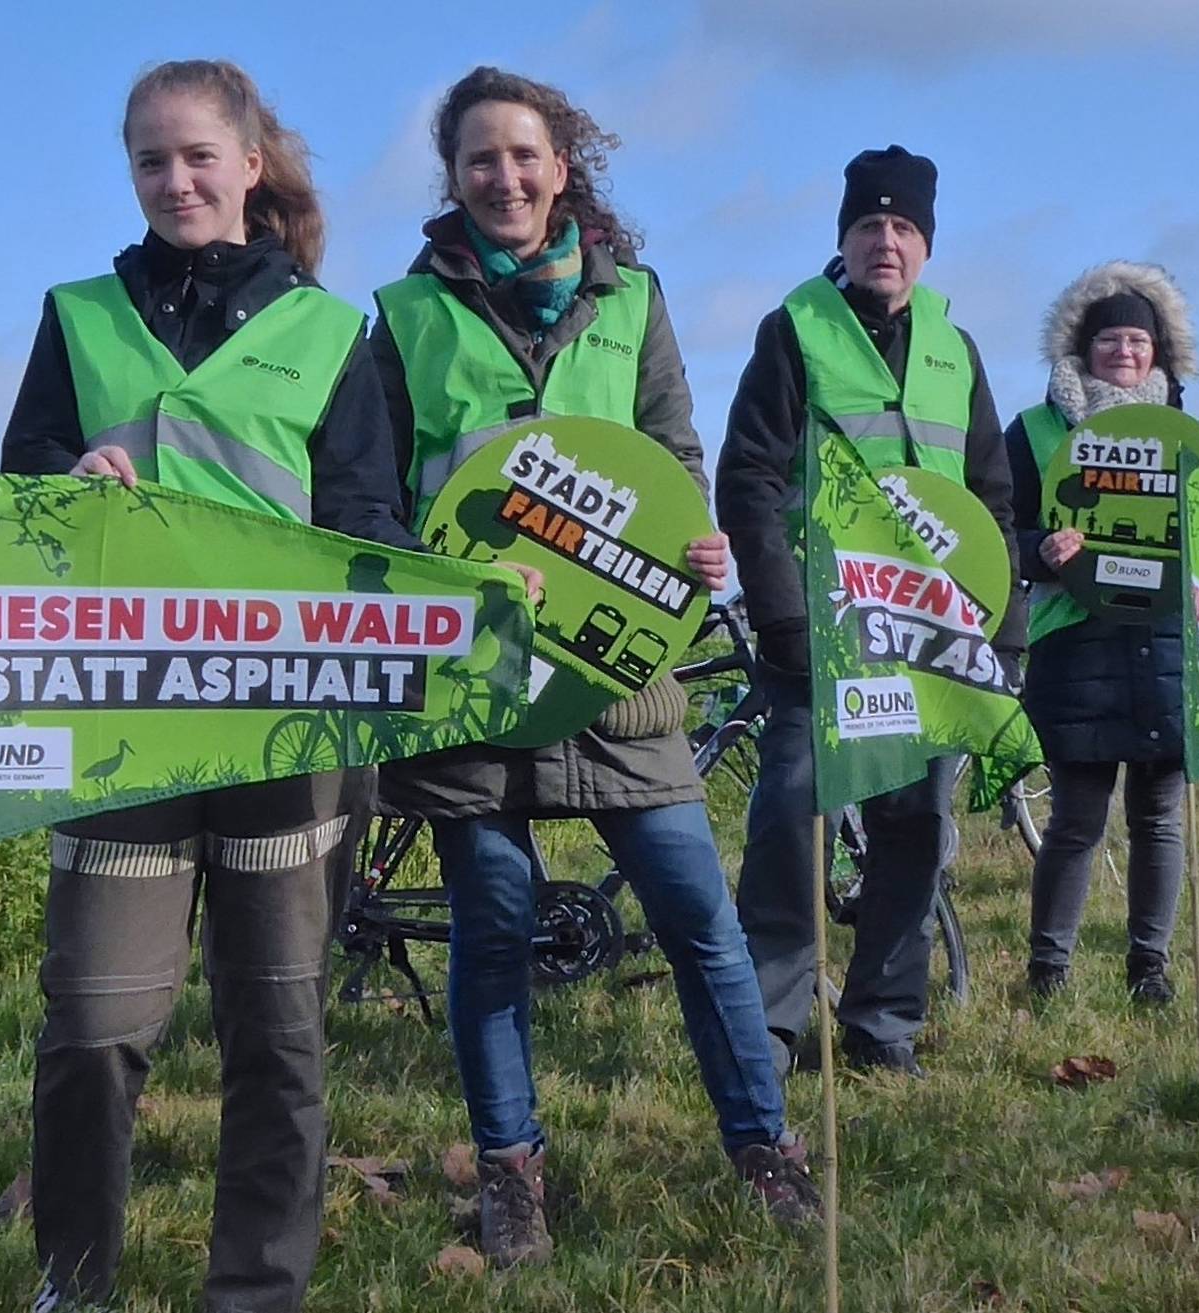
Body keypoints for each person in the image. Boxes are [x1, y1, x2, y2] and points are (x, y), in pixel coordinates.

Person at [369, 65, 817, 1268]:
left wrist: (699, 544)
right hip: (471, 681)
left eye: (523, 155)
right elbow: (385, 496)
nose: (503, 177)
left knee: (699, 917)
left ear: (564, 167)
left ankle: (764, 1145)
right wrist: (443, 574)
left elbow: (672, 455)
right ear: (453, 178)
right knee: (495, 928)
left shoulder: (636, 301)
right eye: (478, 160)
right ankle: (511, 1173)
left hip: (620, 673)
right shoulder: (402, 315)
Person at [0, 60, 423, 1312]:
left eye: (196, 157)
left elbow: (368, 522)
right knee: (92, 1026)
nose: (174, 180)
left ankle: (258, 1290)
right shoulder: (76, 312)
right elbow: (18, 480)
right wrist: (65, 480)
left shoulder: (330, 331)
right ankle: (75, 1285)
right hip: (122, 723)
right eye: (149, 160)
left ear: (250, 164)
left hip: (288, 732)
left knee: (276, 1031)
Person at [716, 145, 1021, 1078]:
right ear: (841, 238)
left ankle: (884, 1024)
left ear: (925, 245)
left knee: (913, 834)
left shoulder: (953, 346)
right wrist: (785, 617)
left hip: (928, 644)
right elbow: (750, 479)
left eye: (903, 228)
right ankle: (770, 1026)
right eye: (867, 225)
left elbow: (991, 499)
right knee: (791, 824)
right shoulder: (794, 331)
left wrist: (1000, 639)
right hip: (821, 635)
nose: (885, 242)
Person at [1006, 262, 1197, 1004]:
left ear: (1159, 353)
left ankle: (1150, 966)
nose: (1124, 352)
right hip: (1075, 641)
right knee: (1076, 819)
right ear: (1081, 348)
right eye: (1110, 339)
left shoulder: (1185, 435)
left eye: (1137, 340)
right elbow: (1001, 526)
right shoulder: (1033, 430)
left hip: (1164, 642)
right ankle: (1047, 970)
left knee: (1159, 818)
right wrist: (1039, 550)